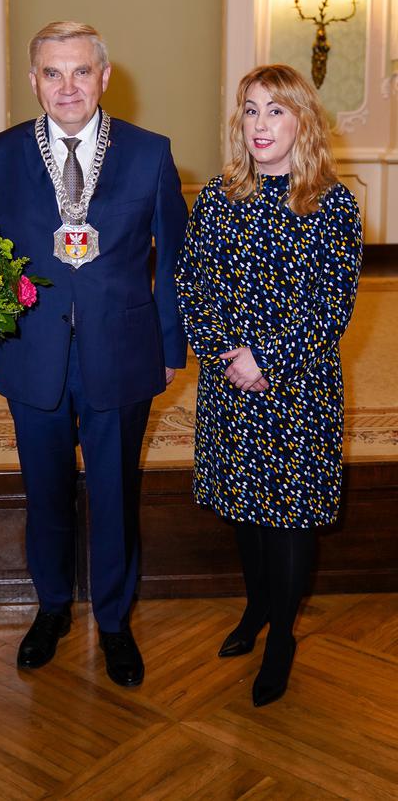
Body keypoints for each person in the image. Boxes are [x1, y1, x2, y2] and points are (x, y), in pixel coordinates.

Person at [0, 21, 188, 687]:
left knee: (116, 490)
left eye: (79, 71)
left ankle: (116, 620)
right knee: (45, 492)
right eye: (51, 73)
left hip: (121, 351)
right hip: (32, 351)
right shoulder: (0, 153)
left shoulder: (151, 153)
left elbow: (173, 261)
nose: (66, 86)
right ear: (33, 80)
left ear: (105, 76)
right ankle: (51, 607)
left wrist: (170, 345)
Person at [176, 64, 362, 707]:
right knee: (245, 510)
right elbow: (191, 285)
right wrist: (224, 354)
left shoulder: (331, 203)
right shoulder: (220, 199)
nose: (260, 124)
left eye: (275, 111)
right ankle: (256, 608)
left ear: (302, 121)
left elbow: (330, 306)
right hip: (230, 384)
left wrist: (265, 359)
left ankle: (282, 633)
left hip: (299, 389)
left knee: (288, 517)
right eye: (251, 110)